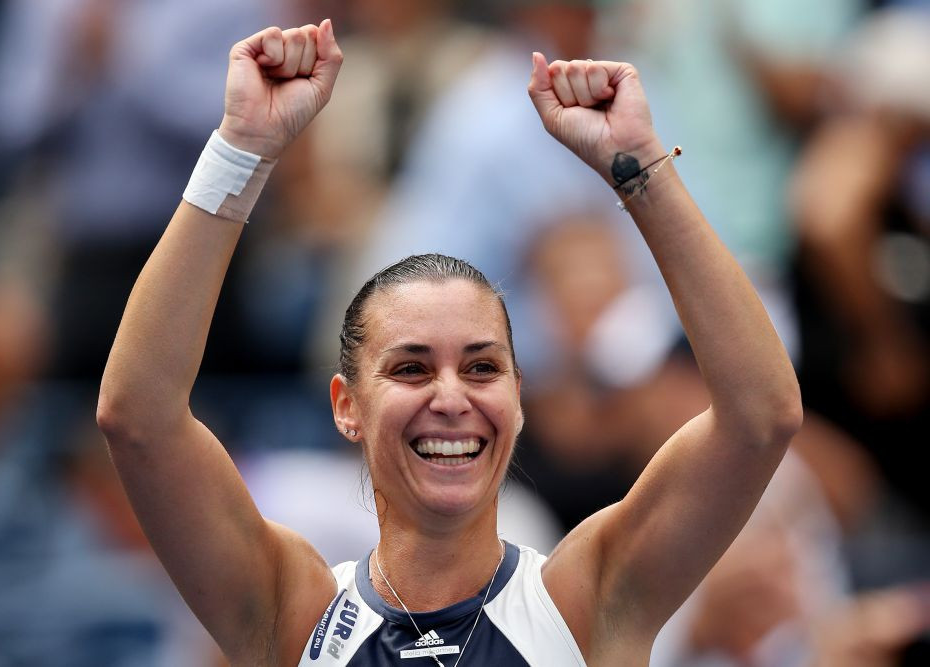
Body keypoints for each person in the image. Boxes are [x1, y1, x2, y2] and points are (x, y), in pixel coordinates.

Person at [96, 20, 802, 666]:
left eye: (482, 366)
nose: (451, 396)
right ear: (347, 405)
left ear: (517, 397)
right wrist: (240, 151)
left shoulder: (589, 600)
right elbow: (139, 418)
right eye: (410, 367)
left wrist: (642, 168)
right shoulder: (291, 608)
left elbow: (760, 417)